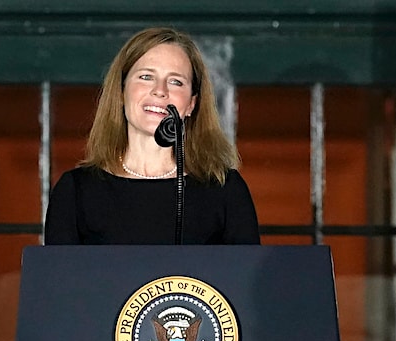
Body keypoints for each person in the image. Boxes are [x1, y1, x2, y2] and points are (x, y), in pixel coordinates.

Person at [44, 26, 260, 245]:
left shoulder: (225, 190)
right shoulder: (76, 192)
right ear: (121, 91)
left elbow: (244, 277)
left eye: (176, 81)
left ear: (191, 104)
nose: (160, 90)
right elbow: (59, 277)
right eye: (146, 77)